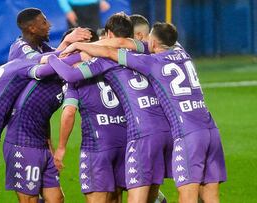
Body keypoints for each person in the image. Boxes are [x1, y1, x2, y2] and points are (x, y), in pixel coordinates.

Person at [61, 22, 227, 203]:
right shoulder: (182, 51)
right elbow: (125, 43)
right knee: (211, 195)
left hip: (185, 133)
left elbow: (112, 51)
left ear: (154, 43)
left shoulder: (151, 62)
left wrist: (74, 46)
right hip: (211, 129)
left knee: (186, 195)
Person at [48, 12, 170, 203]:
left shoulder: (96, 65)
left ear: (108, 34)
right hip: (131, 140)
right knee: (128, 195)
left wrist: (53, 58)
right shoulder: (142, 54)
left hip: (97, 145)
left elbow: (69, 109)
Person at [0, 50, 82, 202]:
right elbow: (46, 68)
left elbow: (49, 58)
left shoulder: (16, 64)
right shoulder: (24, 68)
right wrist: (82, 55)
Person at [53, 30, 126, 203]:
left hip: (97, 145)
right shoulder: (112, 62)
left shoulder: (74, 77)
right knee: (116, 197)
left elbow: (69, 111)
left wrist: (61, 147)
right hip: (126, 140)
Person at [8, 8, 92, 62]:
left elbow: (56, 56)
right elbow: (41, 61)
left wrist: (69, 43)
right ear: (32, 29)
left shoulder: (40, 45)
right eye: (44, 23)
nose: (49, 25)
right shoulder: (21, 48)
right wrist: (67, 42)